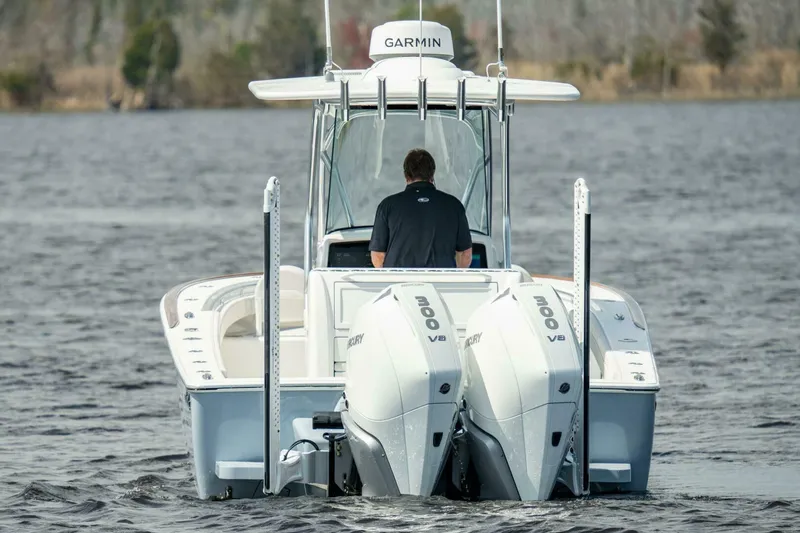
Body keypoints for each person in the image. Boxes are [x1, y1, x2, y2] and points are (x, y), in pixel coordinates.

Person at [369, 148, 473, 269]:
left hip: (399, 285)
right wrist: (453, 280)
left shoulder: (387, 206)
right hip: (441, 285)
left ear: (406, 175)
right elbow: (466, 255)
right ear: (432, 174)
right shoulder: (454, 206)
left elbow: (377, 256)